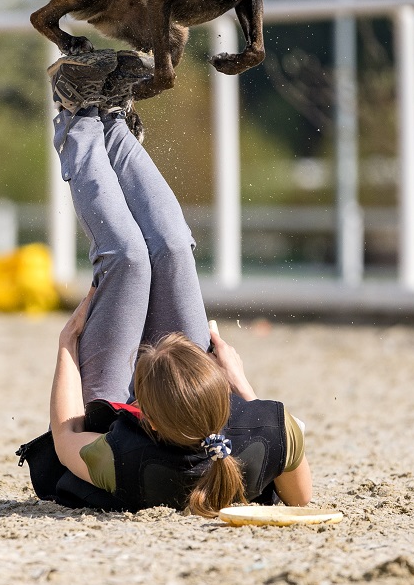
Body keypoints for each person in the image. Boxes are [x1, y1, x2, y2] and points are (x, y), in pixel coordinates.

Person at [31, 51, 312, 516]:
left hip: (114, 406)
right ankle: (115, 118)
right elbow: (301, 501)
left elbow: (65, 435)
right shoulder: (272, 432)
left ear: (149, 422)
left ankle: (77, 114)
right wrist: (243, 389)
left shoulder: (120, 455)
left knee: (127, 260)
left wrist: (67, 345)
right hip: (186, 406)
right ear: (219, 394)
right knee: (174, 250)